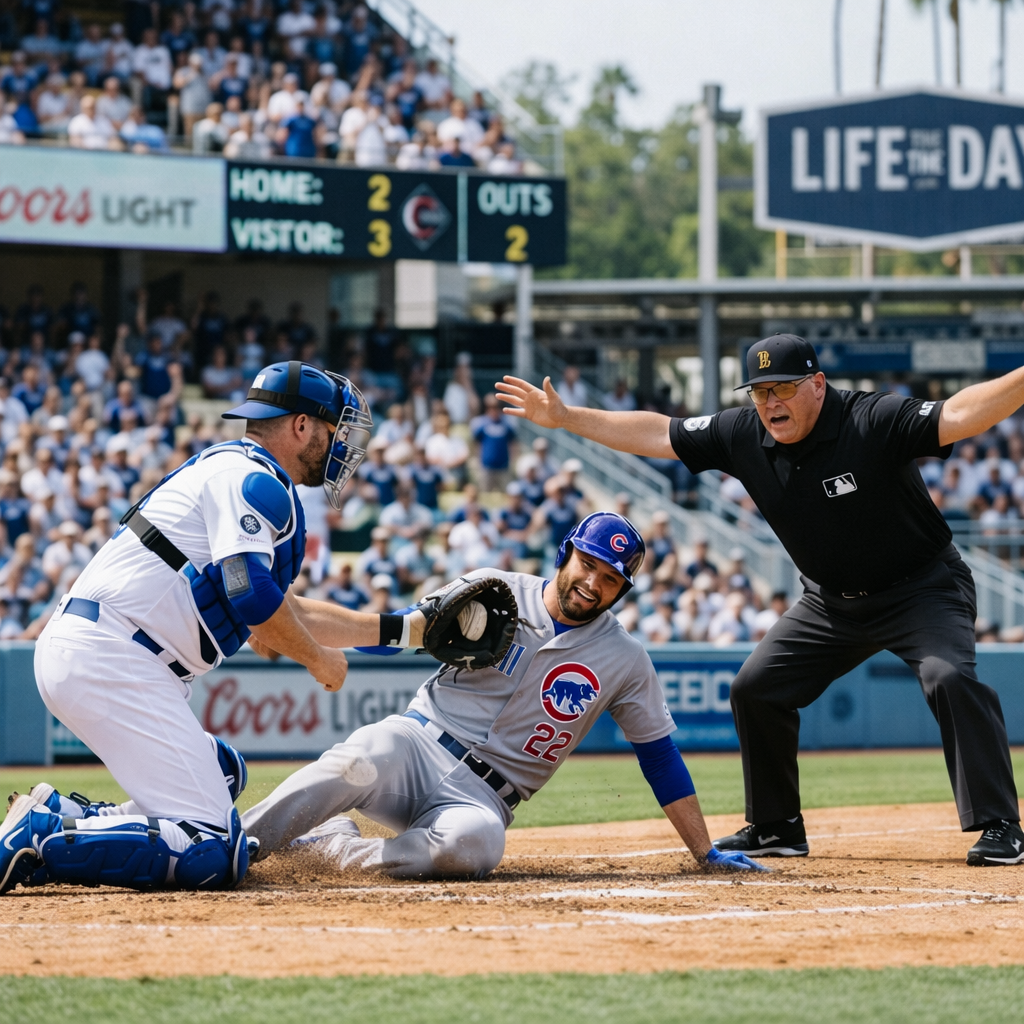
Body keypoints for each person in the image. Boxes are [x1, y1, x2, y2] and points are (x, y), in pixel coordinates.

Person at [497, 333, 1024, 866]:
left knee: (950, 677)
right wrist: (567, 419)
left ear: (818, 385)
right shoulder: (742, 432)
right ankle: (776, 827)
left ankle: (1001, 824)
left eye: (784, 389)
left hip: (922, 589)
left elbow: (959, 414)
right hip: (830, 604)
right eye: (759, 391)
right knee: (756, 689)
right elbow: (660, 432)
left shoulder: (872, 419)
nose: (770, 403)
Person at [0, 362, 440, 897]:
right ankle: (43, 836)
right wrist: (317, 659)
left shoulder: (238, 471)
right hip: (112, 654)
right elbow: (251, 595)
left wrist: (408, 630)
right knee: (212, 852)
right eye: (330, 431)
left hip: (109, 650)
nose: (336, 446)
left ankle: (64, 812)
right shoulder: (251, 479)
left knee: (223, 772)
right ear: (301, 425)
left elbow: (285, 610)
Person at [240, 512, 763, 879]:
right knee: (359, 758)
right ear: (566, 554)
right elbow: (394, 633)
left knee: (474, 847)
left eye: (610, 578)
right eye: (588, 563)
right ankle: (234, 845)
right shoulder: (494, 590)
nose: (593, 582)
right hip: (417, 744)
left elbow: (659, 756)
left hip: (486, 796)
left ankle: (336, 850)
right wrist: (289, 622)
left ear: (621, 591)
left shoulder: (625, 659)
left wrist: (704, 850)